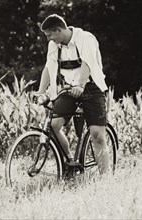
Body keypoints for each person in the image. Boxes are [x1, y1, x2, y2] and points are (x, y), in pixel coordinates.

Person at [35, 14, 109, 174]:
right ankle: (70, 162)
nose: (49, 39)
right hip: (69, 89)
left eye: (50, 35)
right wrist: (40, 92)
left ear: (59, 30)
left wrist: (81, 85)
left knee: (97, 136)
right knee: (53, 125)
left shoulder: (85, 38)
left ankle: (106, 178)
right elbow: (49, 68)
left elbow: (87, 63)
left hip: (91, 88)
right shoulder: (55, 45)